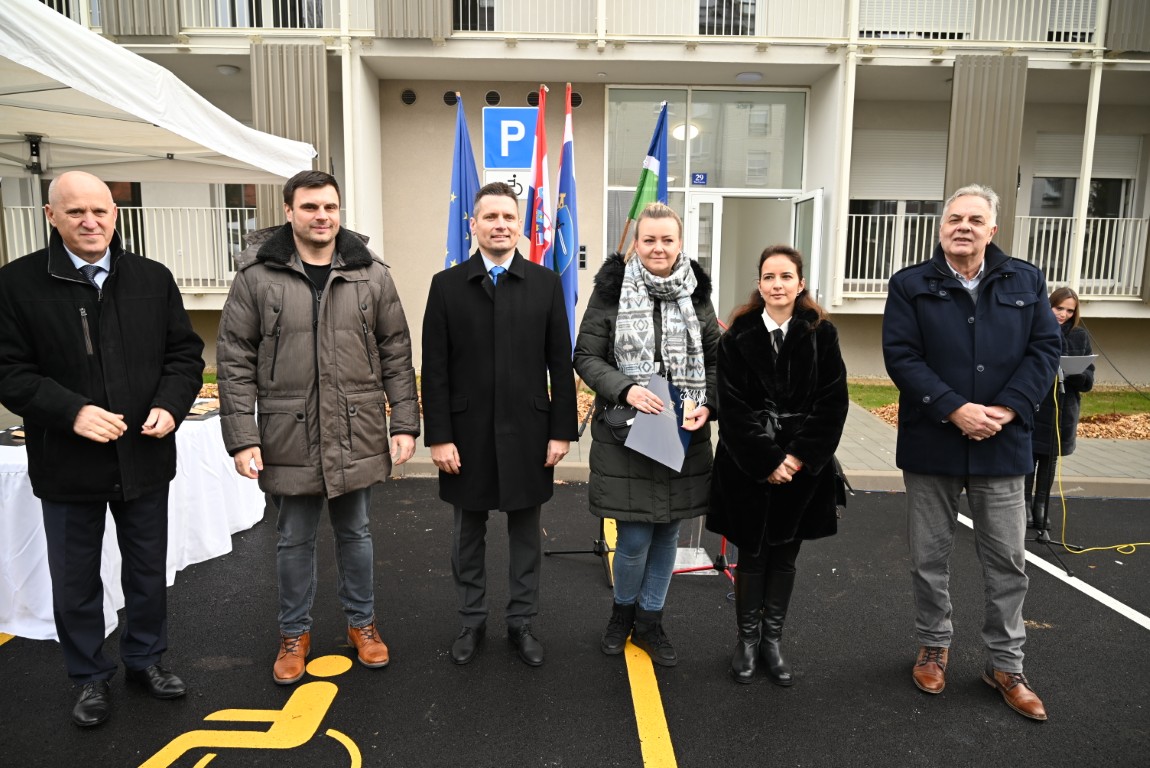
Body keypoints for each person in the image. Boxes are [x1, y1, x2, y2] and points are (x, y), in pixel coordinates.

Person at [0, 171, 205, 727]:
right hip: (67, 463)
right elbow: (9, 372)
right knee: (76, 580)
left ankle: (146, 660)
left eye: (100, 211)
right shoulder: (16, 283)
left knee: (146, 571)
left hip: (143, 455)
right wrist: (71, 412)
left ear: (115, 215)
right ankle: (89, 676)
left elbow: (184, 355)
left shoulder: (152, 278)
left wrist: (170, 404)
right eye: (76, 213)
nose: (90, 222)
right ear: (51, 216)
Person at [216, 170, 419, 685]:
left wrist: (405, 422)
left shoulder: (371, 273)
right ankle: (294, 634)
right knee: (293, 539)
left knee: (357, 533)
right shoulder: (256, 276)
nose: (322, 216)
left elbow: (396, 352)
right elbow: (235, 358)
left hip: (356, 425)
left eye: (330, 206)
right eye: (310, 207)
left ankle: (362, 625)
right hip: (288, 430)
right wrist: (242, 437)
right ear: (289, 211)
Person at [882, 184, 1060, 722]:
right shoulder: (910, 284)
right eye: (954, 218)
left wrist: (1006, 409)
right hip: (932, 442)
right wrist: (955, 408)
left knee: (1007, 562)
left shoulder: (1026, 280)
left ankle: (1006, 665)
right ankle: (933, 646)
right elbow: (901, 356)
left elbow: (1044, 350)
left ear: (992, 230)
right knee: (928, 558)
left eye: (975, 220)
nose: (963, 226)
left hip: (1002, 445)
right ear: (941, 227)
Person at [422, 181, 578, 667]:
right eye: (490, 217)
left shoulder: (545, 284)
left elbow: (560, 363)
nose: (500, 225)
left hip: (530, 432)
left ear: (519, 226)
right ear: (474, 224)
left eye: (509, 217)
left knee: (526, 534)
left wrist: (561, 430)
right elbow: (435, 368)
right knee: (467, 534)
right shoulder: (446, 286)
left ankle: (521, 622)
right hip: (465, 435)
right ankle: (471, 620)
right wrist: (439, 437)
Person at [574, 203, 719, 667]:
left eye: (667, 240)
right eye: (649, 239)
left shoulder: (697, 293)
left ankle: (651, 620)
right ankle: (622, 614)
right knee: (634, 538)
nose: (659, 248)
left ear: (680, 244)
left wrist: (709, 404)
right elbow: (586, 356)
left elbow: (717, 362)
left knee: (668, 535)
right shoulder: (610, 293)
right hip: (627, 433)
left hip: (683, 432)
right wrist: (627, 388)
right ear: (636, 244)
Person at [706, 245, 848, 685]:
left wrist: (797, 456)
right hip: (747, 467)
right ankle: (747, 641)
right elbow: (731, 407)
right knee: (751, 557)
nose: (777, 284)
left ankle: (772, 641)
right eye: (769, 277)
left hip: (802, 471)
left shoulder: (822, 334)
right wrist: (767, 459)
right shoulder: (737, 336)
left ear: (800, 283)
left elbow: (833, 402)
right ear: (759, 284)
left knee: (785, 557)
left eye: (786, 276)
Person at [1025, 287, 1094, 530]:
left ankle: (1041, 506)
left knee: (1050, 458)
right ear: (1048, 306)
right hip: (1036, 405)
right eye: (1059, 308)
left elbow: (1088, 380)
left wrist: (1075, 374)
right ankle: (1025, 505)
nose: (1063, 314)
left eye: (1069, 310)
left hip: (1063, 409)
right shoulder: (1034, 329)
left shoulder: (1080, 336)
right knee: (1029, 456)